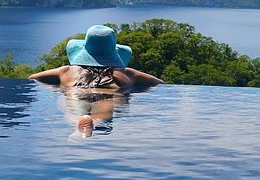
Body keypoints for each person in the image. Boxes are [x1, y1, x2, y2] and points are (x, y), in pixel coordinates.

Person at [29, 24, 163, 137]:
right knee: (107, 107)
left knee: (71, 107)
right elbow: (159, 84)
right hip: (110, 92)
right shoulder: (127, 74)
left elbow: (33, 78)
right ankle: (95, 122)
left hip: (77, 90)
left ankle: (79, 123)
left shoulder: (67, 71)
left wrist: (58, 84)